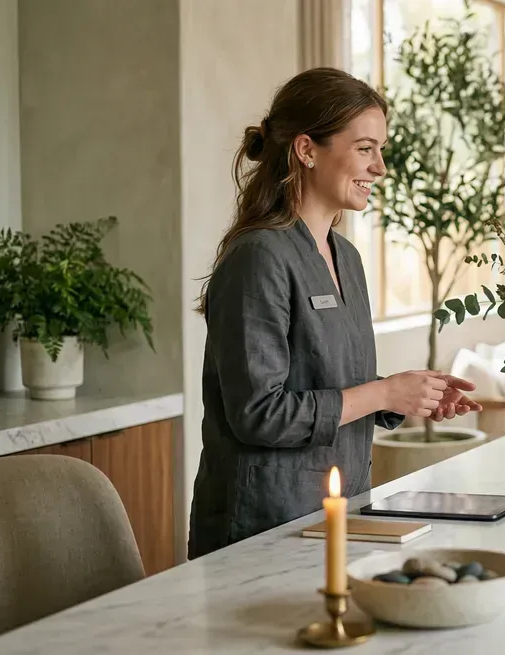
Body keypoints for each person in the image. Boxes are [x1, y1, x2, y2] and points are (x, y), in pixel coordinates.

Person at [188, 68, 482, 559]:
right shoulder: (258, 257)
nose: (380, 167)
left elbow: (334, 383)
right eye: (365, 148)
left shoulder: (346, 257)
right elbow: (259, 414)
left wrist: (407, 396)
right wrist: (384, 391)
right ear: (306, 150)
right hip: (264, 527)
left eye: (380, 150)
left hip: (343, 514)